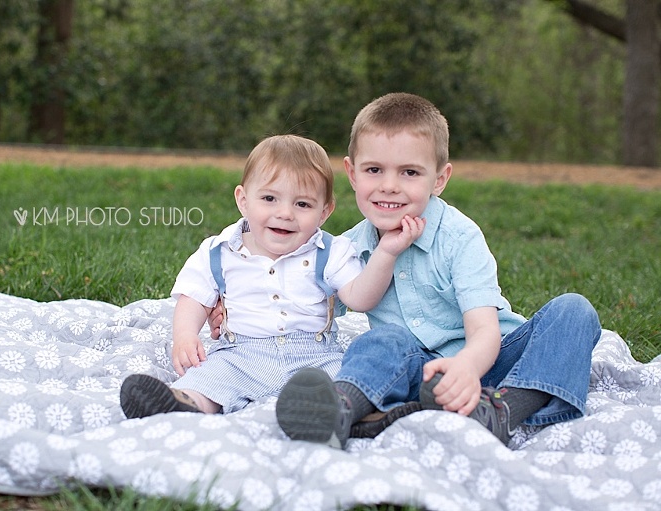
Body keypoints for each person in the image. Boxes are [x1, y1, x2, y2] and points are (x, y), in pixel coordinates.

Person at [274, 93, 602, 449]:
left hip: (495, 363)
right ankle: (340, 409)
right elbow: (292, 286)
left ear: (440, 179)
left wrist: (467, 367)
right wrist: (223, 302)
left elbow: (484, 330)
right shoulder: (347, 248)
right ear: (352, 174)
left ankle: (502, 410)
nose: (389, 186)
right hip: (417, 371)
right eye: (374, 170)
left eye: (410, 172)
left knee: (574, 311)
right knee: (381, 341)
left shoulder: (459, 238)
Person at [120, 134, 423, 424]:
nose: (285, 213)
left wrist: (386, 253)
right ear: (243, 200)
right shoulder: (220, 250)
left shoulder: (330, 251)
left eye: (302, 204)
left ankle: (352, 415)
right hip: (240, 354)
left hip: (314, 357)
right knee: (210, 379)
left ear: (324, 211)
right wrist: (185, 335)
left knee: (345, 382)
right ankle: (185, 404)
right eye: (269, 198)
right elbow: (194, 297)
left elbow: (361, 298)